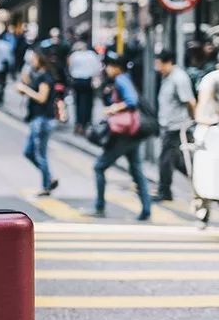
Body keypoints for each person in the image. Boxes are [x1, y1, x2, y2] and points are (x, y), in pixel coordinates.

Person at [88, 53, 152, 220]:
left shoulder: (121, 80)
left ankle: (100, 207)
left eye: (109, 66)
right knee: (136, 170)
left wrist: (113, 108)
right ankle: (146, 208)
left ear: (116, 67)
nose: (107, 69)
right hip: (132, 133)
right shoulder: (124, 79)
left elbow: (132, 101)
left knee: (99, 167)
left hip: (123, 134)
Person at [152, 50, 196, 202]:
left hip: (178, 127)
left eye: (160, 64)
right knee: (179, 162)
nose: (158, 68)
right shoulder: (167, 77)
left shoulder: (179, 78)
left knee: (166, 160)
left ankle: (165, 191)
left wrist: (194, 119)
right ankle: (201, 182)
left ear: (169, 62)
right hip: (169, 126)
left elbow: (190, 101)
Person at [16, 51, 59, 196]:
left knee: (40, 154)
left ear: (40, 59)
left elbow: (41, 98)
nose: (31, 61)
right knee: (29, 152)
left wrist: (26, 90)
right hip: (36, 119)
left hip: (43, 119)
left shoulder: (45, 77)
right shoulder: (38, 75)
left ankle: (47, 185)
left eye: (33, 58)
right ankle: (49, 177)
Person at [68, 40, 101, 133]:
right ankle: (86, 122)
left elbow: (70, 68)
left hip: (77, 81)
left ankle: (78, 123)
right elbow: (97, 68)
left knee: (78, 103)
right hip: (88, 81)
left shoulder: (74, 56)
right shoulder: (91, 55)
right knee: (88, 103)